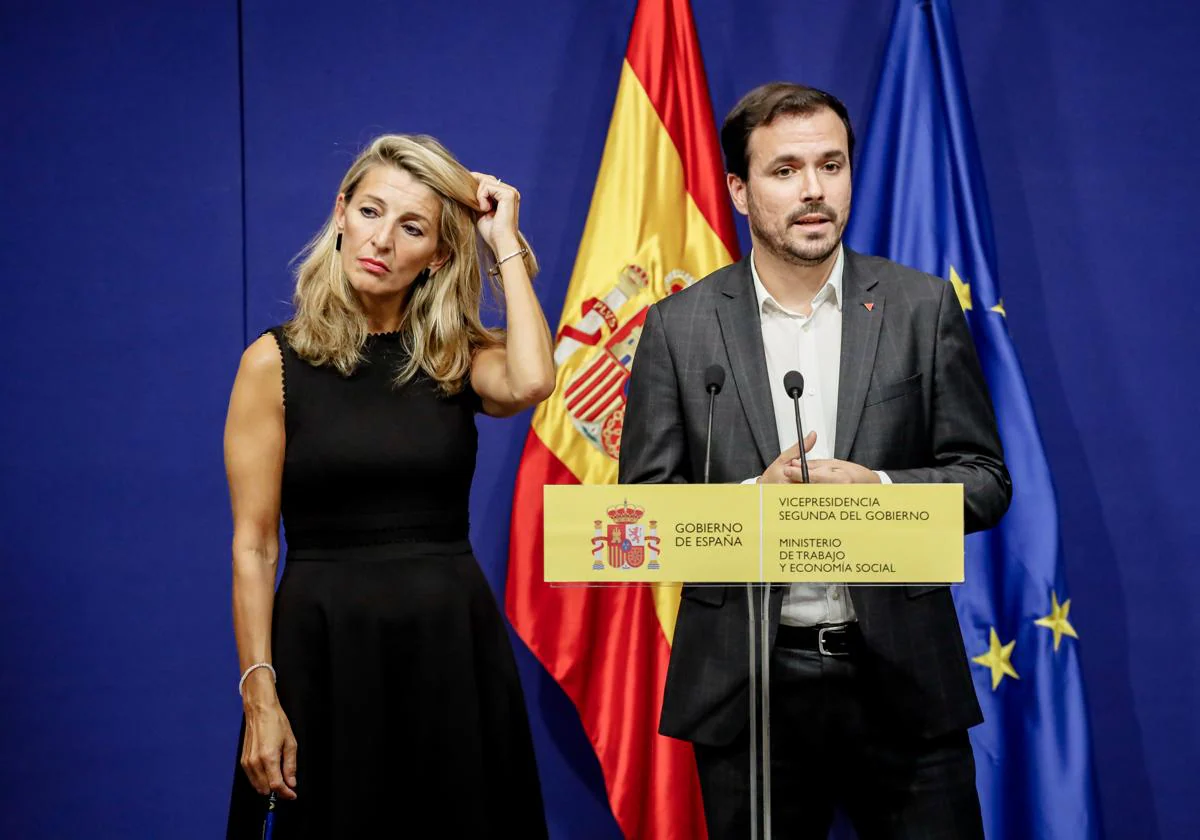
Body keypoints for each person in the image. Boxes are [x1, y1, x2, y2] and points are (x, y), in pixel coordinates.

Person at [619, 83, 1012, 838]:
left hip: (901, 678)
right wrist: (749, 503)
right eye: (785, 170)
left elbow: (986, 481)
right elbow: (644, 517)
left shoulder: (920, 308)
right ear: (738, 189)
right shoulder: (679, 328)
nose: (812, 191)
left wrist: (884, 490)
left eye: (831, 166)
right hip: (747, 684)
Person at [224, 134, 554, 838]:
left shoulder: (457, 355)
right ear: (341, 212)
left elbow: (531, 379)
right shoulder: (272, 363)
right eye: (370, 212)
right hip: (326, 652)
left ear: (437, 255)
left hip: (448, 649)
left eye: (411, 228)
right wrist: (260, 691)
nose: (382, 240)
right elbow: (253, 546)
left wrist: (503, 242)